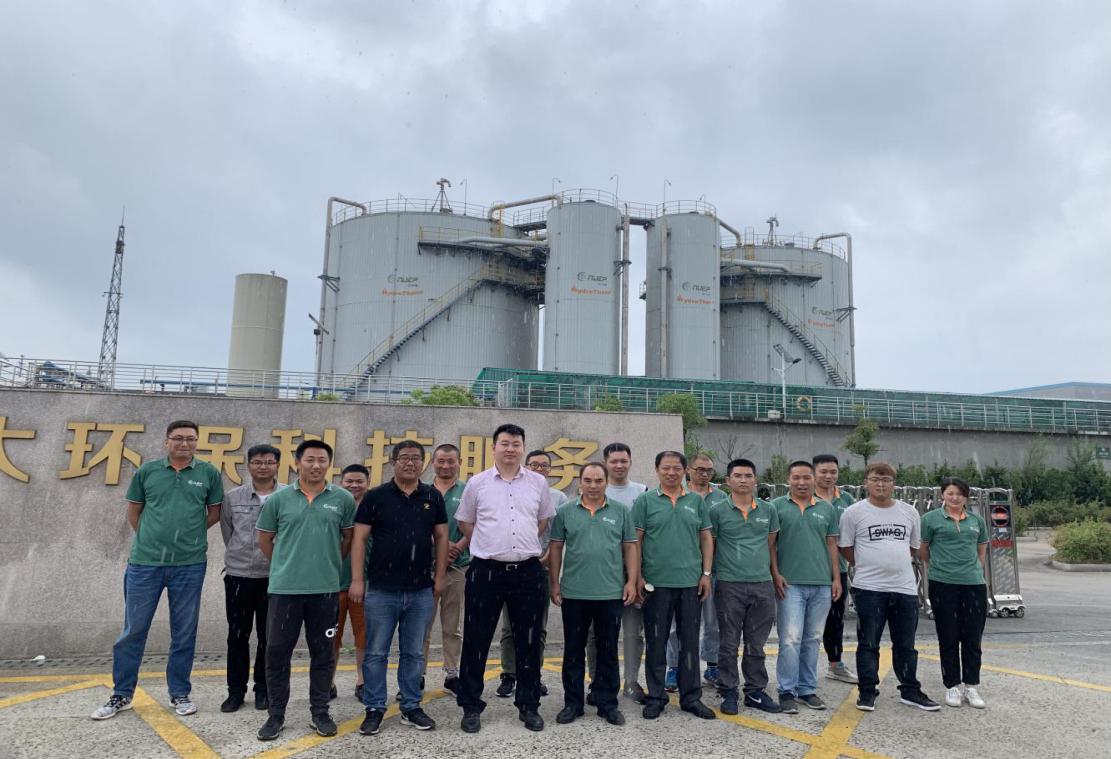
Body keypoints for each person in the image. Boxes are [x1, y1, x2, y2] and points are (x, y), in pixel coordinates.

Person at [92, 420, 224, 721]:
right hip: (145, 564)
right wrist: (151, 538)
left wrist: (189, 536)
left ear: (197, 442)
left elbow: (214, 512)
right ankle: (121, 693)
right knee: (133, 631)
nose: (184, 443)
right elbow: (134, 512)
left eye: (191, 439)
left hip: (189, 565)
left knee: (184, 632)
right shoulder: (148, 471)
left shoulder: (208, 473)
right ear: (167, 442)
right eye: (178, 438)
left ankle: (180, 692)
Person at [455, 424, 556, 734]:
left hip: (527, 571)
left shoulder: (538, 482)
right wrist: (491, 544)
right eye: (505, 443)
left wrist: (518, 547)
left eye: (516, 444)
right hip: (486, 571)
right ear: (494, 447)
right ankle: (471, 705)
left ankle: (528, 705)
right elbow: (466, 523)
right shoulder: (478, 483)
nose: (510, 448)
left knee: (529, 641)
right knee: (476, 639)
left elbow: (542, 522)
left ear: (522, 448)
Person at [254, 439, 355, 741]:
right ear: (297, 462)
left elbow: (347, 539)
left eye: (322, 460)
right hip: (285, 590)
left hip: (325, 590)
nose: (316, 465)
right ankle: (276, 715)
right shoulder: (279, 499)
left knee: (323, 654)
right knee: (277, 653)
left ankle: (320, 712)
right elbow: (265, 540)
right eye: (310, 459)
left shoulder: (342, 499)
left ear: (329, 464)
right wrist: (286, 564)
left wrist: (326, 564)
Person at [351, 440, 448, 736]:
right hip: (381, 590)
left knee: (414, 653)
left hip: (420, 590)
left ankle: (410, 705)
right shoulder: (375, 496)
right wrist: (358, 580)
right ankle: (374, 708)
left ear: (423, 463)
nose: (410, 463)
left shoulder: (432, 496)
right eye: (404, 457)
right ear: (393, 462)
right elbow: (359, 539)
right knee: (376, 652)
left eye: (416, 458)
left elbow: (442, 537)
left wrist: (440, 576)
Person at [839, 461, 939, 713]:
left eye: (886, 480)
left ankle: (910, 690)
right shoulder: (853, 513)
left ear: (894, 484)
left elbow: (913, 547)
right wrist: (871, 564)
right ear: (866, 482)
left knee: (906, 644)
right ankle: (867, 691)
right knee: (868, 643)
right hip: (868, 588)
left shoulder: (909, 512)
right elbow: (846, 549)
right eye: (875, 479)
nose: (881, 484)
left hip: (904, 588)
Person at [549, 462, 638, 726]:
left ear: (606, 482)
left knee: (608, 651)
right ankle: (573, 703)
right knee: (573, 650)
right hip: (574, 593)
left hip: (610, 593)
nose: (593, 485)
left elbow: (630, 547)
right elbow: (556, 548)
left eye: (598, 480)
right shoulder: (565, 512)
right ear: (580, 482)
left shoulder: (620, 511)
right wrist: (554, 583)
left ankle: (607, 703)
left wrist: (631, 581)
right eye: (588, 480)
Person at [634, 450, 716, 721]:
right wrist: (638, 576)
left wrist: (706, 573)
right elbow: (636, 541)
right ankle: (656, 697)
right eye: (666, 468)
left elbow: (706, 537)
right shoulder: (645, 501)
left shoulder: (695, 501)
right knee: (656, 641)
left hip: (690, 583)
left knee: (689, 642)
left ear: (684, 471)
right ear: (657, 470)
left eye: (676, 468)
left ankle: (691, 697)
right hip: (655, 584)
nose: (671, 473)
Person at [770, 460, 842, 715]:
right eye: (796, 478)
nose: (802, 482)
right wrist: (775, 574)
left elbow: (832, 545)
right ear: (788, 480)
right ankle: (786, 691)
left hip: (821, 584)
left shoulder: (827, 508)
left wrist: (836, 578)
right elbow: (770, 545)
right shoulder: (776, 507)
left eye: (806, 478)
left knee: (812, 639)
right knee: (790, 639)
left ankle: (806, 689)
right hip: (790, 585)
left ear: (813, 480)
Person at [710, 459, 781, 715]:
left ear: (755, 480)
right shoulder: (717, 511)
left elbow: (770, 545)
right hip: (729, 584)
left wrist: (774, 575)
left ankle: (754, 691)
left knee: (756, 643)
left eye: (748, 475)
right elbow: (711, 546)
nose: (743, 480)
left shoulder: (768, 510)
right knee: (728, 642)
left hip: (762, 584)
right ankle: (728, 690)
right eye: (738, 475)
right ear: (728, 481)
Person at [495, 449, 566, 699]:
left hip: (542, 568)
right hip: (512, 567)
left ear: (550, 470)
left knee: (538, 627)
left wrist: (544, 559)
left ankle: (533, 673)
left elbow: (558, 536)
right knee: (509, 626)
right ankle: (509, 674)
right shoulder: (513, 492)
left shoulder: (558, 498)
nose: (539, 469)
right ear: (526, 466)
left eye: (544, 466)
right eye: (534, 465)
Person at [585, 443, 649, 705]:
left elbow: (642, 538)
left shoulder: (642, 493)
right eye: (614, 461)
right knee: (595, 634)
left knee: (633, 632)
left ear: (630, 462)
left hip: (632, 572)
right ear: (605, 463)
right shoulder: (595, 490)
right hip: (601, 574)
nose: (619, 465)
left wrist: (638, 576)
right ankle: (596, 682)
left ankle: (631, 682)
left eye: (624, 461)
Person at [219, 444, 281, 713]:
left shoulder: (287, 496)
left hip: (274, 577)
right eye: (257, 462)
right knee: (237, 636)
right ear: (249, 465)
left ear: (277, 465)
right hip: (239, 576)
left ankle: (262, 689)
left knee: (269, 637)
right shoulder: (233, 497)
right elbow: (228, 532)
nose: (263, 467)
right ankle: (235, 691)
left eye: (269, 462)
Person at [921, 477, 989, 709]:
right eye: (950, 493)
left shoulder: (976, 520)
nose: (954, 498)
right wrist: (939, 567)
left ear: (966, 497)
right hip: (943, 583)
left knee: (973, 636)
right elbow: (923, 550)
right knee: (948, 635)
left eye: (959, 494)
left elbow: (981, 549)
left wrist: (975, 570)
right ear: (942, 495)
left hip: (974, 584)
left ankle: (971, 685)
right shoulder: (930, 519)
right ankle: (952, 685)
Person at [665, 453, 729, 691]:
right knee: (675, 624)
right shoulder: (678, 495)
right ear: (688, 470)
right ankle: (674, 666)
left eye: (709, 470)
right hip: (681, 568)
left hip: (713, 569)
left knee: (713, 621)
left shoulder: (722, 498)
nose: (704, 474)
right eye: (700, 469)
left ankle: (712, 664)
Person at [422, 444, 469, 697]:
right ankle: (417, 674)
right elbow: (415, 524)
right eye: (441, 461)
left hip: (457, 566)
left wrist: (457, 547)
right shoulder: (422, 491)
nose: (446, 465)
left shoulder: (468, 490)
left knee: (452, 625)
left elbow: (478, 524)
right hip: (424, 569)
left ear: (459, 462)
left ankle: (452, 674)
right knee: (422, 625)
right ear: (433, 463)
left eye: (451, 461)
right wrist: (439, 544)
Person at [813, 454, 859, 685]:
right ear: (814, 473)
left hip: (837, 569)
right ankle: (802, 668)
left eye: (833, 472)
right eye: (823, 472)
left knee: (835, 619)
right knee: (806, 623)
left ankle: (835, 664)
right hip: (808, 568)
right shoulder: (805, 497)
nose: (828, 476)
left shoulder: (847, 499)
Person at [332, 464, 370, 701]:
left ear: (368, 483)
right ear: (341, 482)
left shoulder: (373, 507)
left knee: (364, 637)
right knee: (330, 637)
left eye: (359, 481)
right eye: (349, 481)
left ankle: (362, 681)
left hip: (365, 585)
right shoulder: (332, 505)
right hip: (333, 583)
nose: (354, 485)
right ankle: (327, 682)